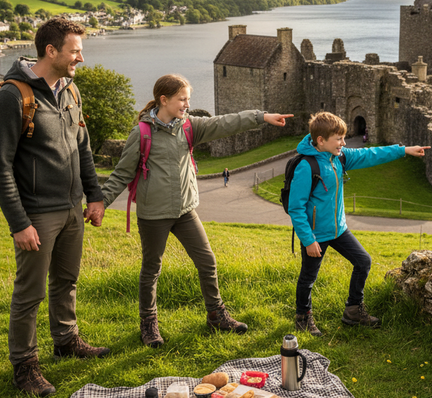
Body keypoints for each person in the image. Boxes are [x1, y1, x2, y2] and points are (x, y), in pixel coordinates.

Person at [101, 74, 292, 348]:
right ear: (163, 100)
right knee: (151, 269)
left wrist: (261, 117)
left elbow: (226, 122)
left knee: (207, 261)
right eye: (182, 99)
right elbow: (121, 174)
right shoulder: (141, 133)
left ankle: (216, 316)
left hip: (185, 210)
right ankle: (149, 325)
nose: (187, 104)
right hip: (153, 214)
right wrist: (101, 203)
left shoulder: (189, 126)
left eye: (188, 99)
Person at [0, 17, 109, 397]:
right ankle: (24, 366)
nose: (81, 58)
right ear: (51, 50)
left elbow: (82, 148)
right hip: (37, 213)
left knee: (67, 281)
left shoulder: (71, 90)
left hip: (74, 207)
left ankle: (66, 340)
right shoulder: (12, 97)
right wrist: (18, 223)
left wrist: (96, 196)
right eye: (75, 51)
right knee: (30, 292)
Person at [287, 112, 429, 336]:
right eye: (339, 139)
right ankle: (303, 318)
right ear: (321, 140)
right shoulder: (307, 166)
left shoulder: (339, 157)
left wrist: (404, 150)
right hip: (315, 235)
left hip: (339, 229)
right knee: (308, 278)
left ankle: (353, 311)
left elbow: (370, 154)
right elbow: (296, 208)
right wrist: (308, 240)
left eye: (344, 138)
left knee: (363, 261)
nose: (344, 143)